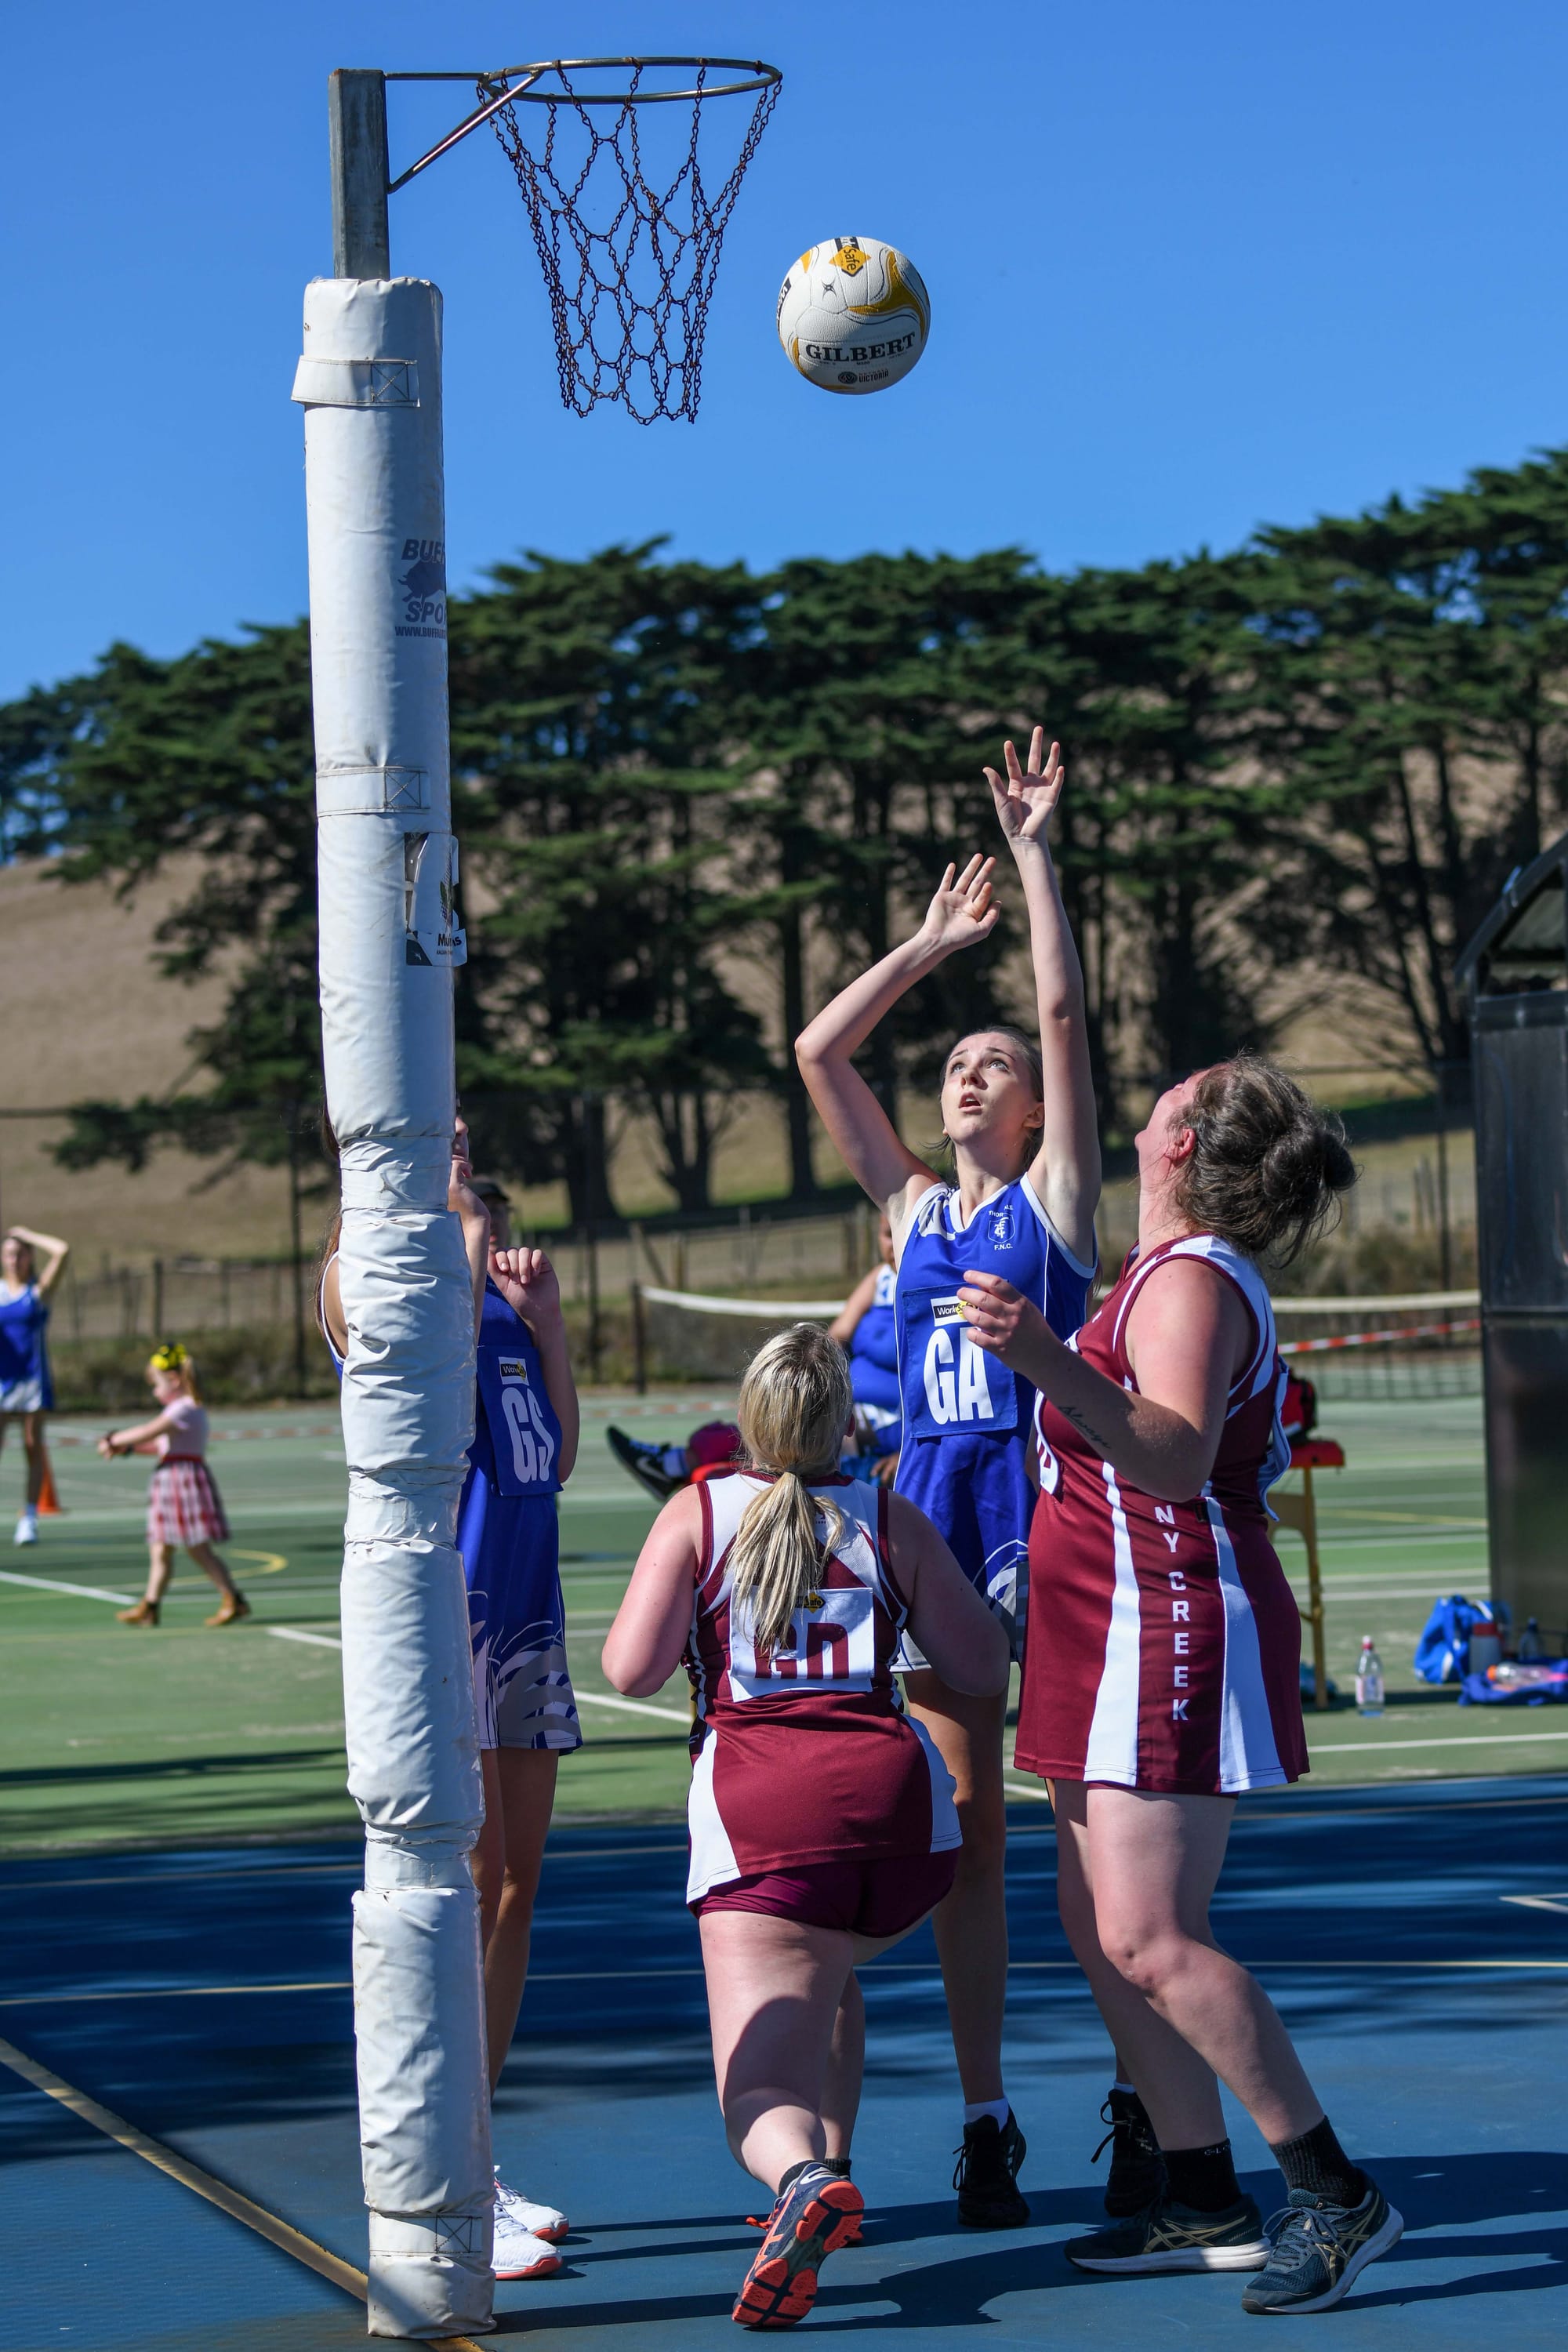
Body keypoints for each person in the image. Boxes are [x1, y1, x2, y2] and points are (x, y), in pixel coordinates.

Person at [958, 1056, 1403, 2314]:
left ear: (1182, 1140)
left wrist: (1044, 1356)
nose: (1147, 1099)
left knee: (1151, 1939)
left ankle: (1334, 2191)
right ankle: (1201, 2190)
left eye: (1169, 1095)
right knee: (1105, 1935)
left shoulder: (1195, 1282)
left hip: (1167, 1620)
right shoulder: (1156, 1272)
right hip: (1098, 1626)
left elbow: (1175, 1454)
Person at [794, 728, 1101, 2226]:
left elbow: (1057, 1002)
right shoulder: (911, 1211)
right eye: (959, 1066)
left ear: (1037, 1110)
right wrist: (922, 945)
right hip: (931, 1526)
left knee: (1098, 1829)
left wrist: (1036, 856)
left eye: (1001, 1068)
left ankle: (1143, 2084)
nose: (975, 1072)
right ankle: (990, 2120)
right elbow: (817, 1053)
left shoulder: (1055, 1201)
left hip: (1045, 1521)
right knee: (972, 1833)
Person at [603, 1324, 1008, 2329]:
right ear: (842, 1424)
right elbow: (981, 1665)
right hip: (901, 1822)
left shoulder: (700, 1513)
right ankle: (833, 2167)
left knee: (754, 2088)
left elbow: (628, 1670)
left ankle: (797, 2182)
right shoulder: (885, 1514)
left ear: (748, 1417)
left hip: (765, 1811)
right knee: (825, 1976)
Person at [319, 1134, 580, 2281]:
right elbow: (389, 1341)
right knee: (465, 1883)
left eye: (470, 1131)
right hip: (449, 1611)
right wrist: (468, 1250)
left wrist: (552, 1325)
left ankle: (480, 2145)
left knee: (517, 1883)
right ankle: (449, 2171)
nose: (458, 1140)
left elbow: (555, 1455)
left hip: (529, 1605)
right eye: (443, 1127)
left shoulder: (503, 1286)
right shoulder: (366, 1265)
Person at [101, 1344, 249, 1626]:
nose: (154, 1392)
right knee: (161, 1548)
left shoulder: (184, 1409)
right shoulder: (181, 1410)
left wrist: (114, 1440)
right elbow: (158, 1445)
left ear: (174, 1381)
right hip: (170, 1478)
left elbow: (147, 1431)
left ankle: (233, 1598)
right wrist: (127, 1449)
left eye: (156, 1385)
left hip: (183, 1480)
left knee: (197, 1547)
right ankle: (151, 1606)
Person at [2, 1224, 69, 1547]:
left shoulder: (38, 1292)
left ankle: (29, 1517)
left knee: (32, 1444)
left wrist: (27, 1235)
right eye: (9, 1254)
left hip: (32, 1380)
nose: (14, 1260)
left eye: (20, 1254)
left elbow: (62, 1251)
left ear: (28, 1257)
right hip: (2, 1380)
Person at [829, 1213, 902, 1481]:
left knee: (814, 1437)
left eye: (900, 1232)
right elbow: (836, 1336)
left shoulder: (935, 1284)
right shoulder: (879, 1278)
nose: (892, 1246)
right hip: (849, 1412)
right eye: (887, 1235)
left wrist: (909, 1451)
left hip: (893, 1427)